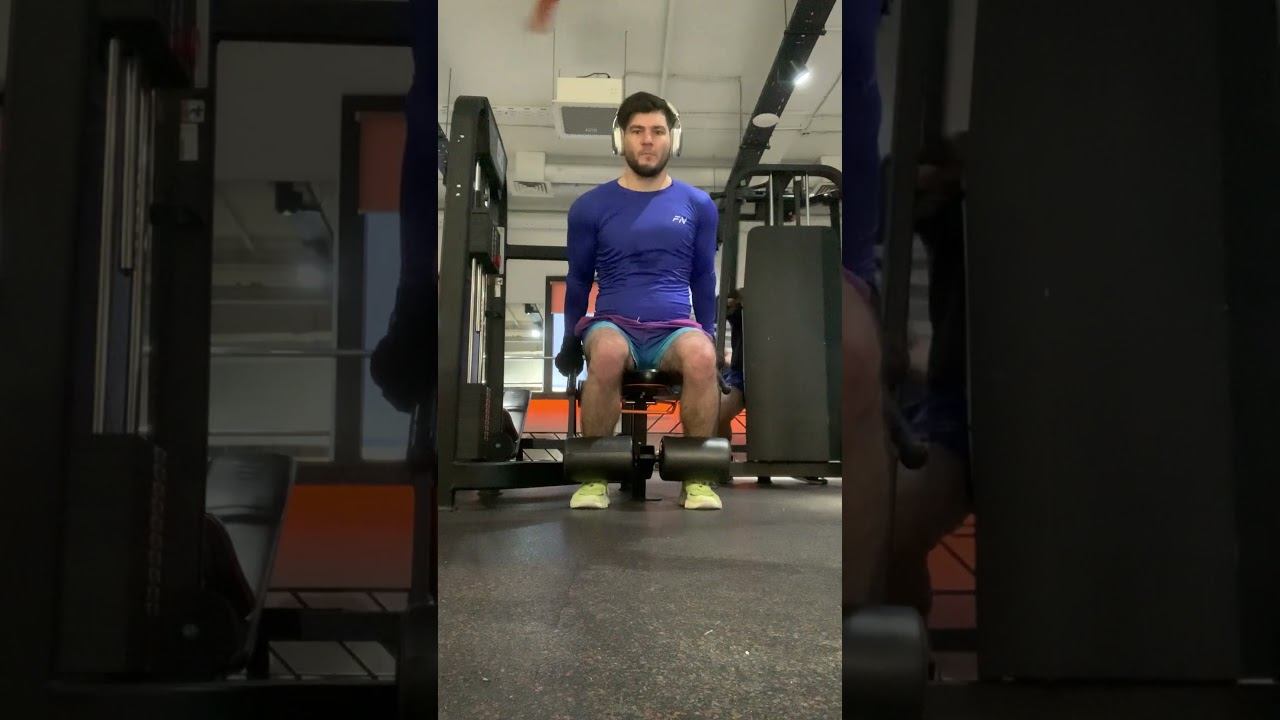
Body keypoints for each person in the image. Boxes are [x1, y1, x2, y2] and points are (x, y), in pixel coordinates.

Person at [553, 91, 724, 512]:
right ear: (621, 139)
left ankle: (697, 480)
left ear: (672, 139)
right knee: (607, 352)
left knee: (702, 355)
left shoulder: (698, 205)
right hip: (614, 323)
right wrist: (570, 339)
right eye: (637, 131)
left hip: (673, 329)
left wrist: (710, 333)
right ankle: (594, 478)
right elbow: (578, 278)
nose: (648, 140)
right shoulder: (589, 207)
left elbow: (703, 276)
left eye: (658, 131)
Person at [716, 287, 746, 441]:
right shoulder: (743, 297)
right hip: (741, 372)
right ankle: (723, 452)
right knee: (718, 412)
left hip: (776, 372)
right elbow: (720, 305)